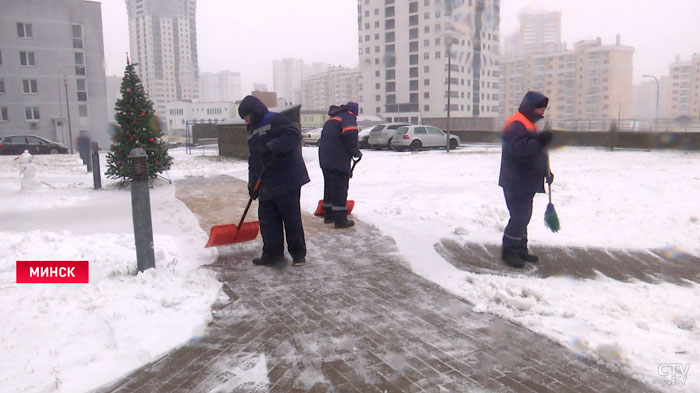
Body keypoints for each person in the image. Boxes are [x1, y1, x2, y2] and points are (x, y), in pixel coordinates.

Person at [238, 95, 310, 267]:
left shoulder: (275, 119)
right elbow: (253, 160)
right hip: (267, 180)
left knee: (290, 218)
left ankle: (298, 254)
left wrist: (272, 147)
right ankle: (272, 254)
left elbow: (293, 136)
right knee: (267, 219)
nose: (245, 121)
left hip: (287, 177)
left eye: (246, 116)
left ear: (253, 112)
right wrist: (252, 184)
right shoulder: (252, 130)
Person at [498, 91, 554, 268]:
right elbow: (518, 149)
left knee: (524, 216)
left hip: (525, 180)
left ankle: (520, 249)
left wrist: (547, 172)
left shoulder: (529, 124)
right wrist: (540, 142)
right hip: (515, 180)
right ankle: (509, 252)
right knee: (520, 216)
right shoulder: (517, 123)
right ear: (531, 108)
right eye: (540, 109)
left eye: (544, 109)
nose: (542, 113)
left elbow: (536, 153)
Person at [318, 102, 362, 228]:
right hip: (337, 159)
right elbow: (350, 134)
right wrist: (355, 152)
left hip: (325, 159)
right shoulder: (348, 116)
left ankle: (329, 216)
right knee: (339, 189)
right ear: (354, 111)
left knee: (330, 187)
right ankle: (340, 220)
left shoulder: (332, 118)